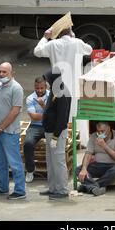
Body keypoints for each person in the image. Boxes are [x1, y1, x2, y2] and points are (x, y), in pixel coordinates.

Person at [34, 14, 93, 126]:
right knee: (75, 113)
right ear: (70, 31)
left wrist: (45, 38)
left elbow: (37, 51)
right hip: (74, 86)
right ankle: (76, 139)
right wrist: (74, 38)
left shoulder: (52, 44)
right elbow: (89, 50)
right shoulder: (77, 43)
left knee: (60, 114)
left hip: (58, 86)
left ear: (58, 33)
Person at [0, 62, 26, 200]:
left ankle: (20, 190)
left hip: (9, 132)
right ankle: (3, 187)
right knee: (0, 162)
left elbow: (15, 111)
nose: (1, 74)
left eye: (4, 72)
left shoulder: (16, 88)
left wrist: (1, 127)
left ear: (12, 73)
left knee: (14, 162)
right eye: (0, 71)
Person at [40, 71, 71, 199]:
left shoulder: (62, 93)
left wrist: (55, 136)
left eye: (47, 80)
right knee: (51, 162)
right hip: (49, 131)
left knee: (58, 162)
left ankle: (62, 190)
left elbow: (62, 118)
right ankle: (53, 188)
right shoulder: (55, 89)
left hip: (56, 134)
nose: (46, 83)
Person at [76, 122, 115, 196]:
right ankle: (94, 187)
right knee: (78, 169)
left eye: (102, 131)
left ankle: (88, 187)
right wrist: (84, 168)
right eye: (98, 131)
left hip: (112, 166)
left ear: (109, 128)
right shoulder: (94, 136)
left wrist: (104, 145)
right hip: (97, 165)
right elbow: (88, 153)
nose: (100, 133)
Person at [23, 76, 50, 183]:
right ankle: (30, 170)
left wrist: (44, 107)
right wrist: (49, 114)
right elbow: (33, 117)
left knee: (54, 144)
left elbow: (55, 114)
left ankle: (53, 170)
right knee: (28, 144)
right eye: (37, 88)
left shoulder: (51, 96)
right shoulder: (30, 98)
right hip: (35, 126)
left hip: (49, 125)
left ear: (45, 87)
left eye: (41, 88)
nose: (39, 90)